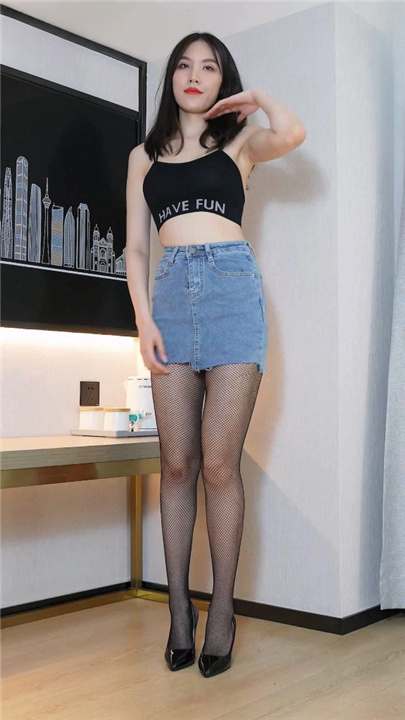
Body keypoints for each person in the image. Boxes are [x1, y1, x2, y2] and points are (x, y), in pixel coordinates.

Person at [125, 31, 306, 678]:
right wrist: (143, 319)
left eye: (209, 67)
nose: (194, 75)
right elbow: (136, 248)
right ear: (171, 78)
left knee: (220, 465)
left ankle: (222, 611)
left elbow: (292, 132)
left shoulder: (240, 143)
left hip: (232, 297)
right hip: (171, 300)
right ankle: (179, 609)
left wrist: (254, 97)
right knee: (176, 465)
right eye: (184, 65)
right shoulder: (143, 156)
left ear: (222, 80)